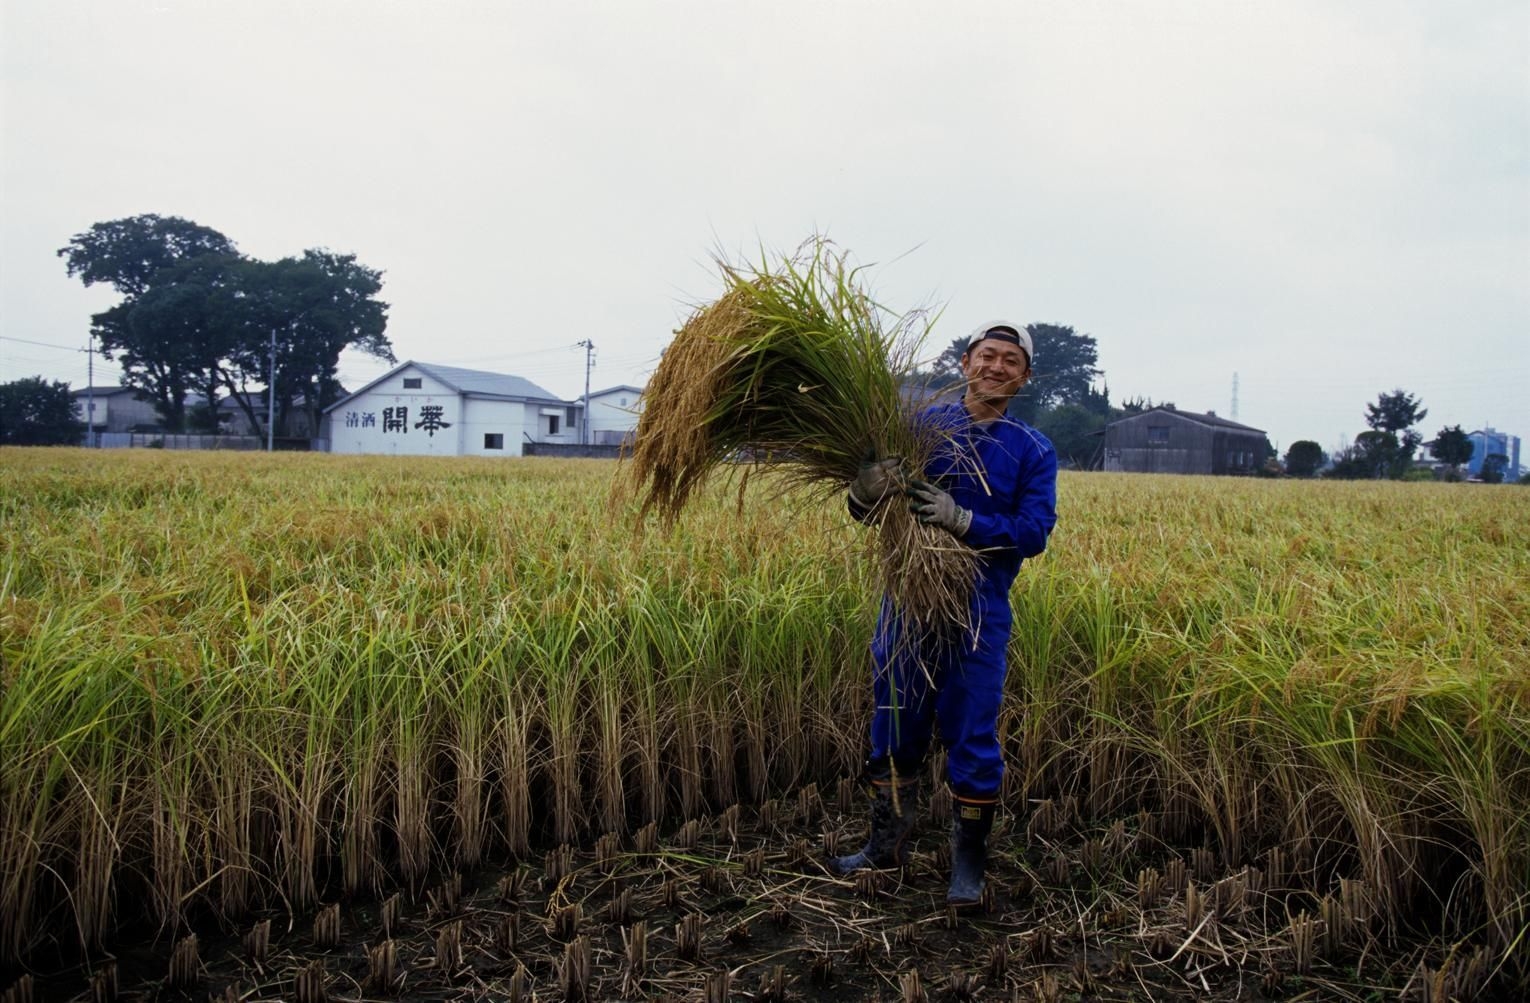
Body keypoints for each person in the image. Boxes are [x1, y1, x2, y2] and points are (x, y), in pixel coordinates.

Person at [831, 320, 1059, 906]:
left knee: (973, 731)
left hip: (979, 609)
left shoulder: (1033, 449)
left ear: (1025, 377)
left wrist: (964, 522)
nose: (997, 367)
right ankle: (885, 844)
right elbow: (867, 513)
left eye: (1011, 360)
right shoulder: (919, 427)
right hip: (908, 602)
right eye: (988, 355)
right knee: (894, 722)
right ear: (965, 362)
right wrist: (864, 489)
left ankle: (969, 865)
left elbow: (1033, 533)